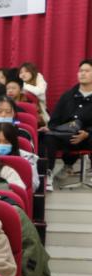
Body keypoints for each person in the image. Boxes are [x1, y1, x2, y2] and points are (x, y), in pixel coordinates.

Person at [43, 58, 92, 188]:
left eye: (87, 71)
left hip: (87, 137)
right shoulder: (68, 96)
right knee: (48, 137)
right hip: (66, 136)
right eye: (80, 71)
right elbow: (54, 120)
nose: (82, 73)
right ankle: (48, 174)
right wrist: (55, 129)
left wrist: (87, 133)